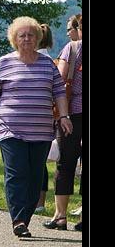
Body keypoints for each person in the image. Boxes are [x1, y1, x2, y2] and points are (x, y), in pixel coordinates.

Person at [0, 16, 72, 238]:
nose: (27, 38)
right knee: (17, 172)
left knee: (35, 176)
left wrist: (64, 116)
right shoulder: (4, 63)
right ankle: (18, 220)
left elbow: (59, 92)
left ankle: (23, 218)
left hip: (41, 130)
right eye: (22, 35)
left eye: (31, 35)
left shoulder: (48, 64)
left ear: (38, 38)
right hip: (10, 128)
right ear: (14, 39)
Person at [44, 15, 83, 232]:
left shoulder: (72, 48)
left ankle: (60, 216)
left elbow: (58, 83)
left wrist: (62, 115)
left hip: (71, 114)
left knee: (65, 164)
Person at [35, 23, 54, 212]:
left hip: (40, 118)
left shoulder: (44, 61)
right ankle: (38, 202)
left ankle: (39, 201)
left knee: (39, 163)